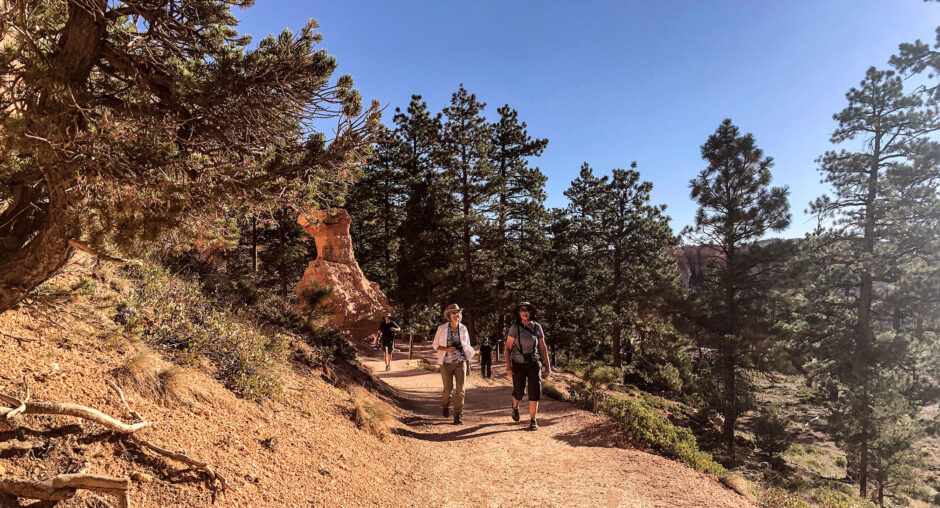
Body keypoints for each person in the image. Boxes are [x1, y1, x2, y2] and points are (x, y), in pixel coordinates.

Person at [505, 301, 551, 430]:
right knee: (519, 392)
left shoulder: (537, 327)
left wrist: (547, 366)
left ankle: (533, 419)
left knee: (534, 391)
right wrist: (508, 366)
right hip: (518, 363)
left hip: (534, 363)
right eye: (522, 310)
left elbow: (542, 347)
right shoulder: (515, 328)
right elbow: (507, 348)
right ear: (519, 313)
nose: (524, 313)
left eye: (527, 310)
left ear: (531, 313)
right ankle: (515, 407)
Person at [431, 304, 474, 425]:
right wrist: (446, 349)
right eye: (453, 313)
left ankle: (458, 415)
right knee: (447, 391)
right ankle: (445, 405)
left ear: (459, 315)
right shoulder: (442, 329)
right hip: (446, 364)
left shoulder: (463, 329)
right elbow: (435, 345)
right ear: (449, 315)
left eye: (457, 313)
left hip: (461, 363)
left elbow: (468, 348)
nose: (455, 315)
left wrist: (468, 364)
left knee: (461, 391)